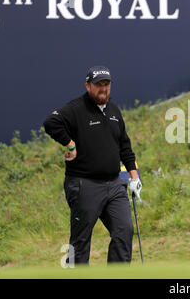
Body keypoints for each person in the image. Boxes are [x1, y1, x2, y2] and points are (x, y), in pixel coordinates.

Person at [43, 65, 142, 264]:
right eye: (98, 85)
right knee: (80, 242)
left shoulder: (114, 111)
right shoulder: (76, 108)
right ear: (88, 86)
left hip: (114, 184)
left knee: (124, 230)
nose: (103, 89)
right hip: (84, 184)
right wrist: (70, 144)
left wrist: (134, 177)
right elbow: (50, 122)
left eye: (107, 85)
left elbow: (124, 146)